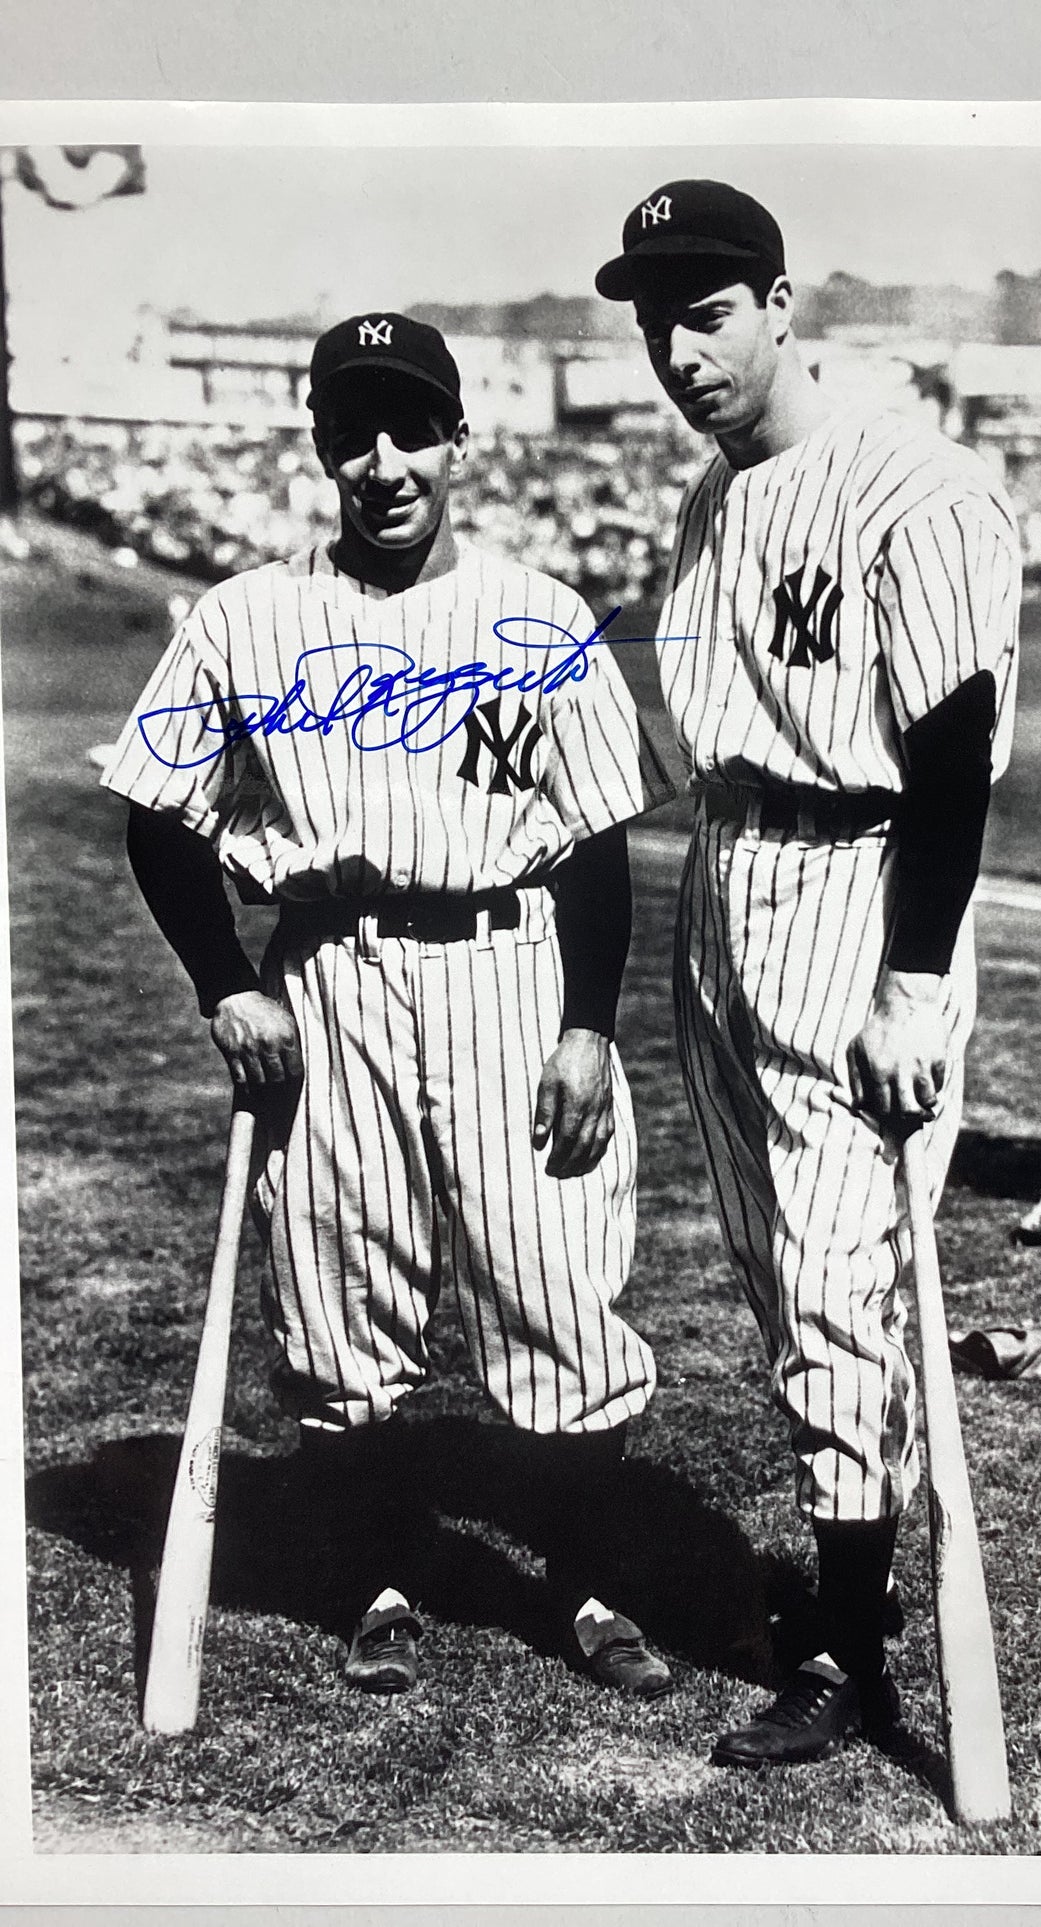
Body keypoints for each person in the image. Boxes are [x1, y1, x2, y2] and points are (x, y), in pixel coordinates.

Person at [101, 312, 675, 1698]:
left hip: (506, 963)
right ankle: (373, 1576)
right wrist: (224, 984)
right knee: (344, 1292)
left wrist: (590, 1022)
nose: (382, 459)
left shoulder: (537, 612)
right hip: (330, 977)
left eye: (410, 427)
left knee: (555, 1278)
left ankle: (587, 1578)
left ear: (457, 440)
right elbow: (157, 815)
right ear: (318, 448)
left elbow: (596, 835)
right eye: (353, 431)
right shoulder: (246, 614)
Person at [594, 181, 1022, 1765]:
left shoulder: (913, 481)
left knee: (848, 1282)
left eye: (704, 311)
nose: (678, 349)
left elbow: (957, 745)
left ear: (782, 303)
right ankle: (857, 1583)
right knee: (780, 1275)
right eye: (655, 321)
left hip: (859, 882)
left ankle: (849, 1651)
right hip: (733, 877)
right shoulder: (715, 497)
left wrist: (915, 981)